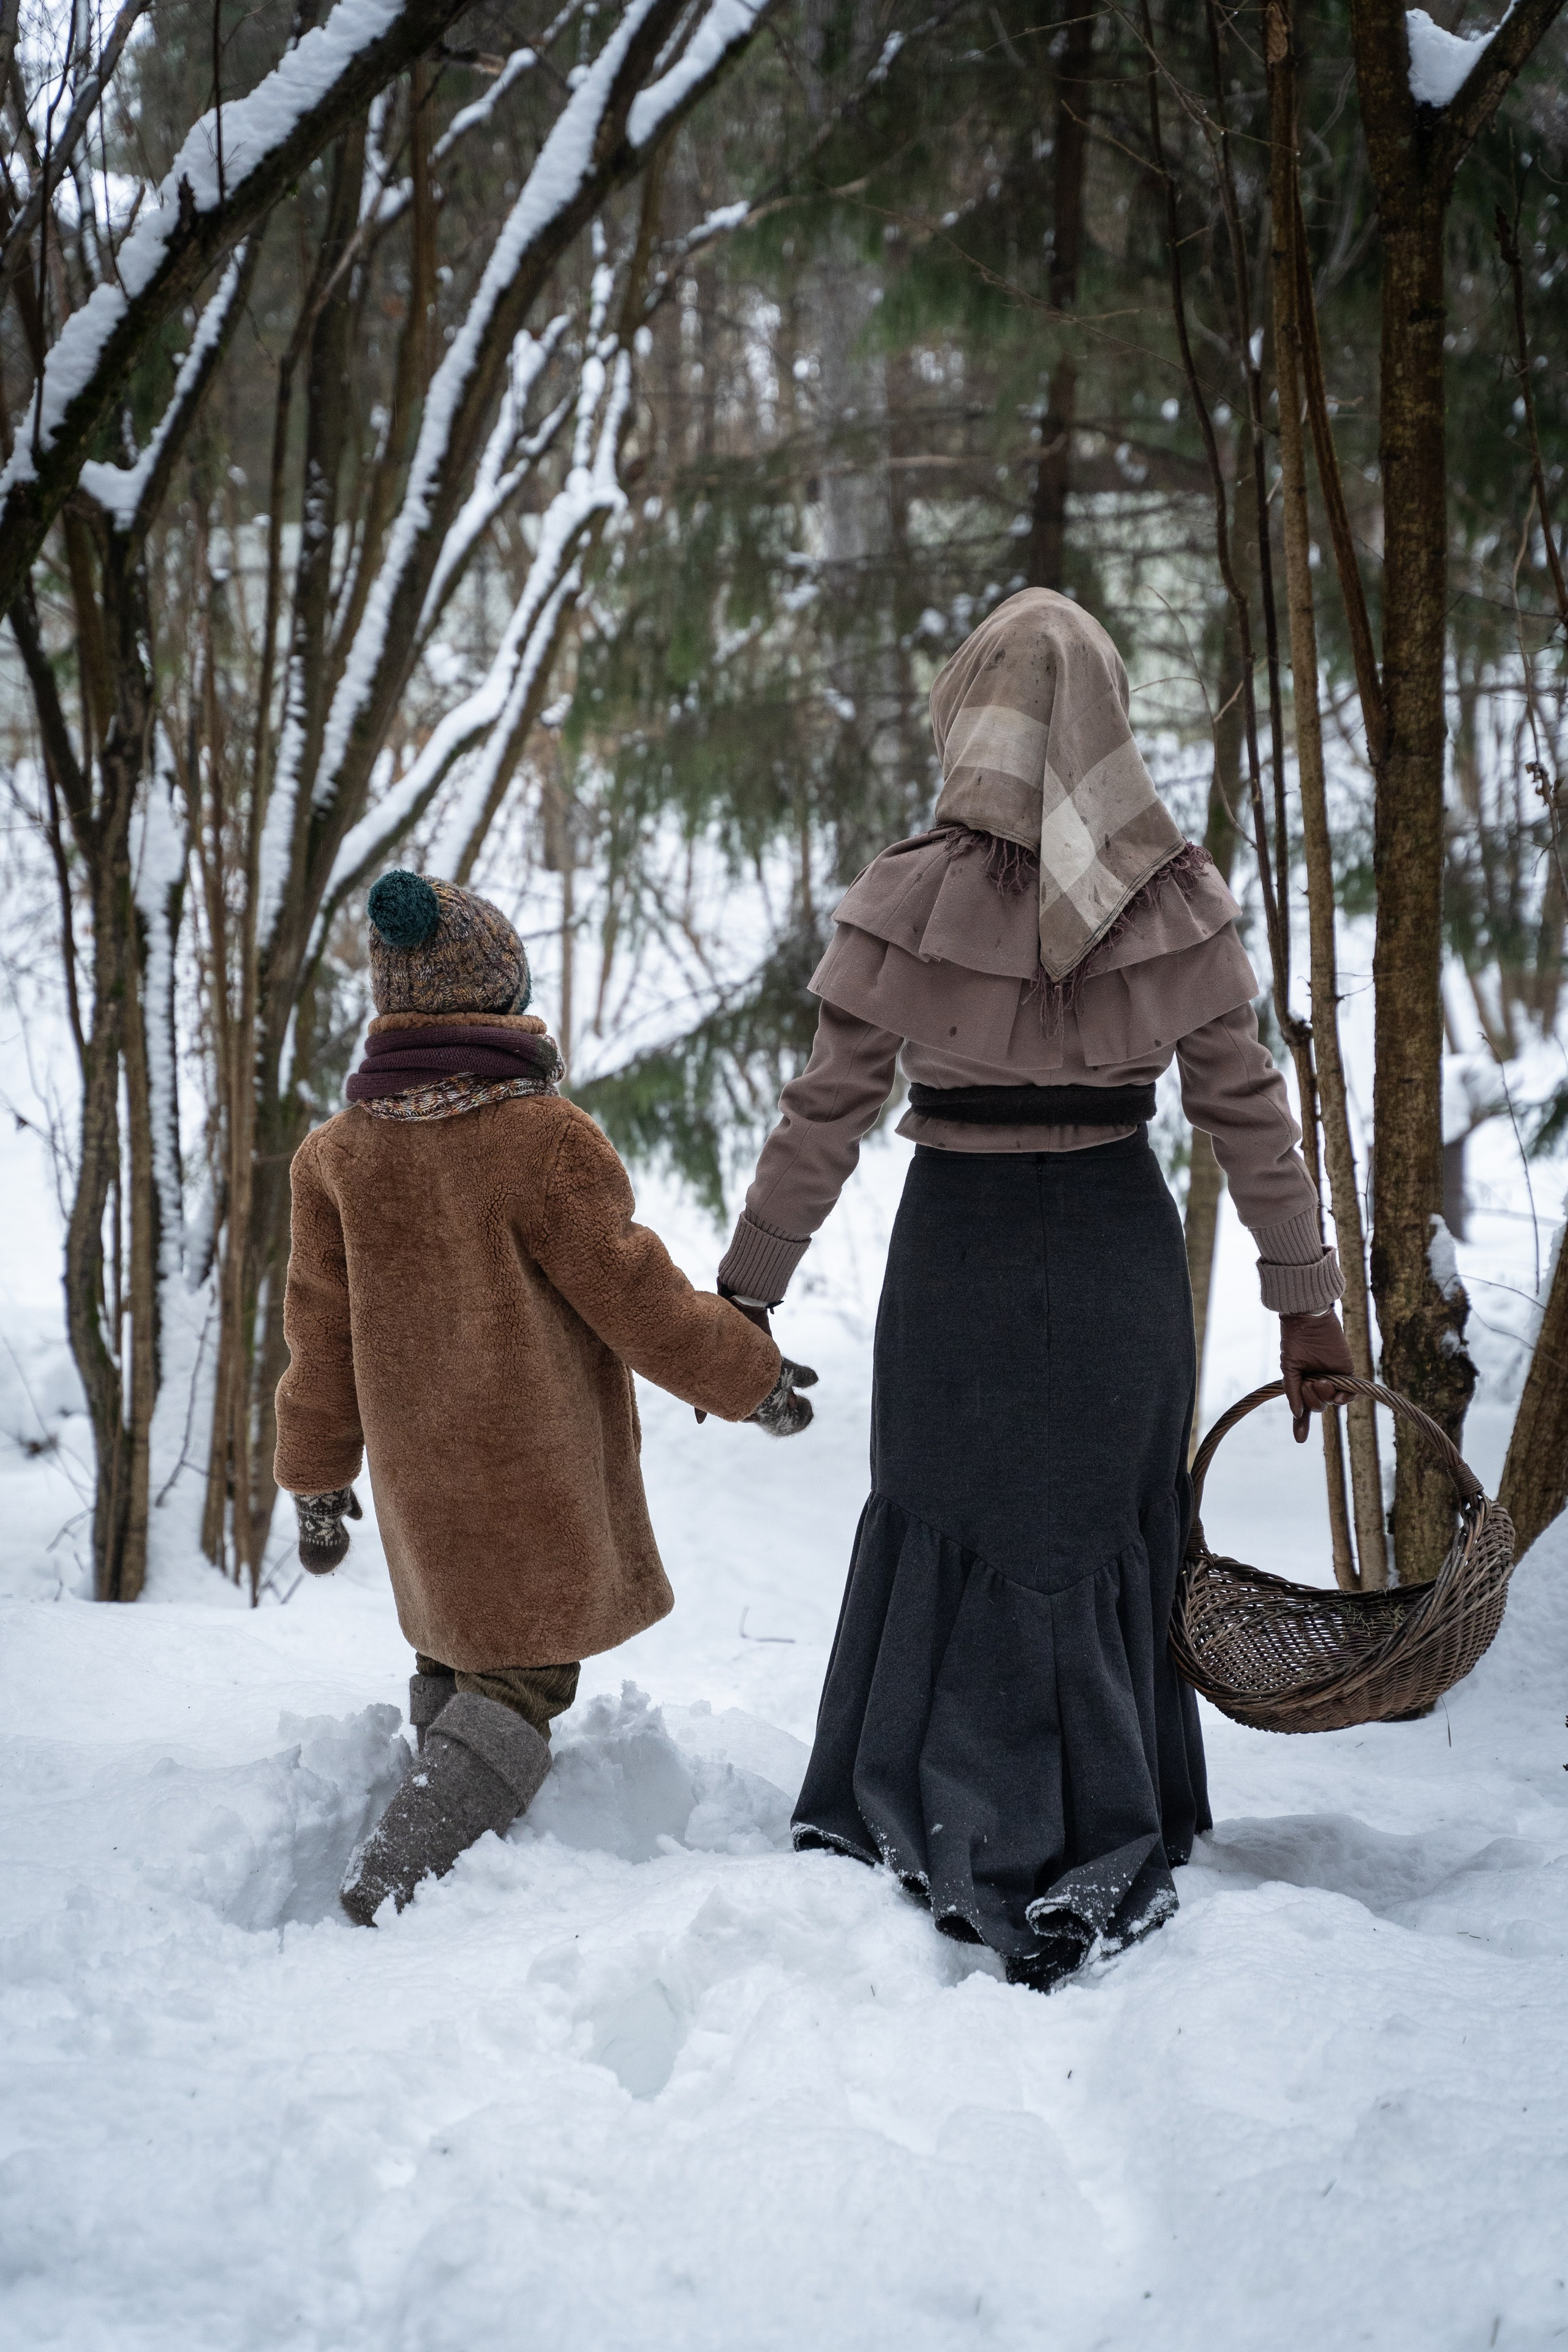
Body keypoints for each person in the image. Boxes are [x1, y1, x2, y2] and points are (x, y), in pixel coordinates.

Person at [718, 589, 1354, 1991]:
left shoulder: (907, 895)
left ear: (971, 712)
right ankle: (1101, 1811)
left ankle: (932, 1798)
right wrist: (1303, 1303)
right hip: (1116, 1256)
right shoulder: (1175, 896)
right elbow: (1248, 1113)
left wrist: (746, 1288)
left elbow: (823, 1111)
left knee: (962, 1514)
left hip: (960, 1253)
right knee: (1080, 1525)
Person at [274, 869, 813, 1926]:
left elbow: (318, 1339)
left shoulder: (335, 1156)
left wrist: (316, 1479)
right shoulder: (543, 1138)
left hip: (421, 1483)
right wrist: (752, 1380)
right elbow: (639, 1298)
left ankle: (443, 1815)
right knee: (521, 1678)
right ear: (501, 993)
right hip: (533, 1475)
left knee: (459, 1648)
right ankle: (401, 1874)